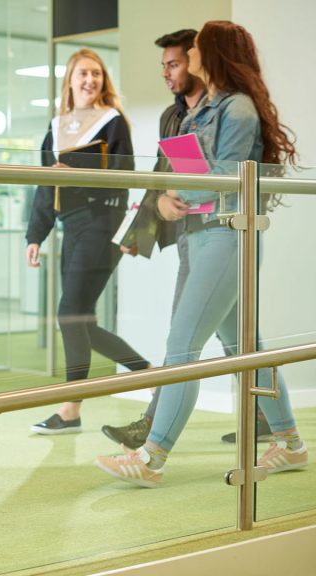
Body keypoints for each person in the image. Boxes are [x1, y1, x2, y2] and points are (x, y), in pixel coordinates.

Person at [96, 21, 306, 487]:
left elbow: (225, 177)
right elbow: (187, 168)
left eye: (193, 54)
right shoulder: (203, 109)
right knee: (244, 348)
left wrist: (174, 188)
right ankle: (291, 444)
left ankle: (151, 457)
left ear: (213, 56)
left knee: (182, 348)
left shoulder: (240, 109)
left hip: (228, 235)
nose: (188, 63)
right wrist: (167, 200)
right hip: (202, 233)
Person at [25, 48, 151, 435]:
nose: (90, 80)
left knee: (69, 315)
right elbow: (48, 183)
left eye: (96, 74)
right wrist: (35, 235)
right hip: (70, 225)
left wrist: (73, 168)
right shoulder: (57, 125)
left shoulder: (113, 121)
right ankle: (149, 375)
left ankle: (70, 408)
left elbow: (124, 171)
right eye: (82, 73)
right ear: (70, 80)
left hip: (102, 222)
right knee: (81, 320)